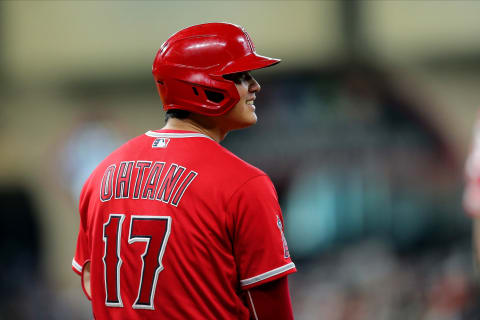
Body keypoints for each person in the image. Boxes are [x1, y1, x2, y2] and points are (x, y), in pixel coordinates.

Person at [72, 22, 296, 319]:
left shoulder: (101, 175)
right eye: (240, 76)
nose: (255, 86)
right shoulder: (244, 183)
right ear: (203, 85)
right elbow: (271, 308)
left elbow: (90, 280)